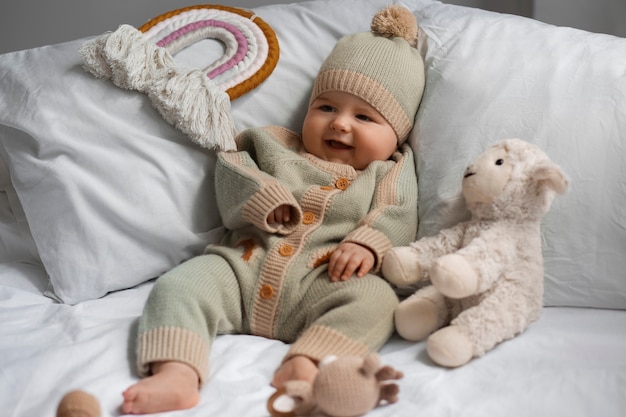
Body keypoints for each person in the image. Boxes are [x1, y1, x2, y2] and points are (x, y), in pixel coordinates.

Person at [122, 5, 425, 414]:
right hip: (244, 268)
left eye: (365, 116)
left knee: (377, 300)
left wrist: (368, 244)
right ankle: (177, 372)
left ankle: (306, 360)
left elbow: (399, 212)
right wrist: (265, 196)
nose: (339, 124)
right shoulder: (272, 144)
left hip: (323, 279)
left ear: (397, 133)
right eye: (326, 107)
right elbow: (232, 169)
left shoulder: (389, 172)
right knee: (179, 286)